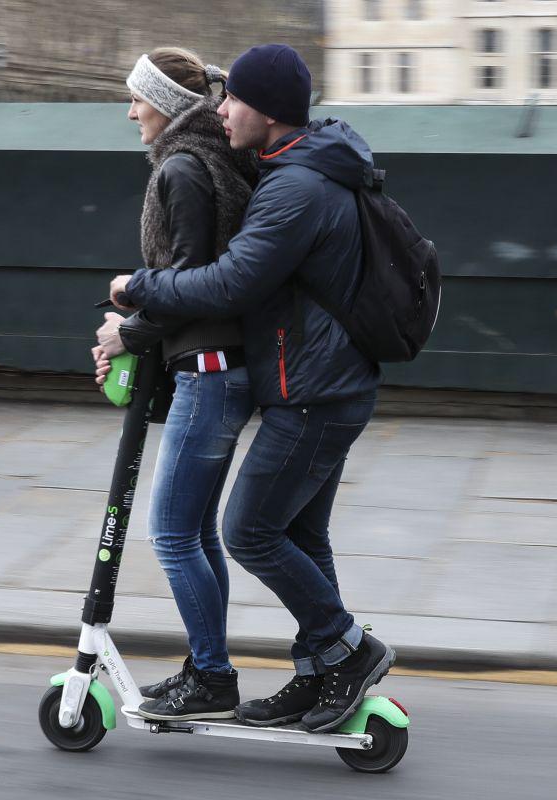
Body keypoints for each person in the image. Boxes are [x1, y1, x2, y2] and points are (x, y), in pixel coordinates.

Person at [109, 44, 395, 734]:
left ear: (262, 109)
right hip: (322, 379)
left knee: (239, 531)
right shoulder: (290, 167)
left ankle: (343, 651)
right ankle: (318, 671)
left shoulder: (290, 185)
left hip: (314, 388)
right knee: (298, 532)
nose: (222, 107)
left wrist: (132, 301)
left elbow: (225, 282)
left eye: (232, 98)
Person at [90, 47, 259, 722]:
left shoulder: (184, 169)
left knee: (170, 535)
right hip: (220, 368)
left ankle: (211, 677)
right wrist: (134, 312)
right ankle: (206, 668)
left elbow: (191, 284)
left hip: (210, 373)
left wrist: (127, 333)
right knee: (197, 534)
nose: (131, 111)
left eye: (138, 98)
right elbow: (189, 277)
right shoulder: (210, 158)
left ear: (165, 103)